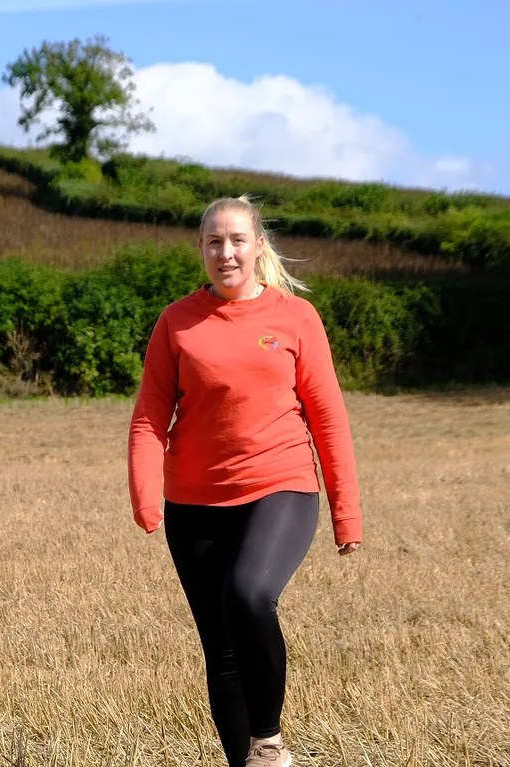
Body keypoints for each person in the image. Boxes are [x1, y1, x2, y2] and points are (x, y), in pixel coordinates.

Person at [127, 195, 364, 767]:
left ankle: (269, 741)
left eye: (237, 240)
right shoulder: (176, 321)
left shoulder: (296, 318)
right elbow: (149, 414)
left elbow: (327, 416)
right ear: (201, 250)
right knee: (221, 646)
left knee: (248, 595)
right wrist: (145, 491)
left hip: (280, 485)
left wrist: (346, 512)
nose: (225, 252)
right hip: (194, 501)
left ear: (259, 245)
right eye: (214, 241)